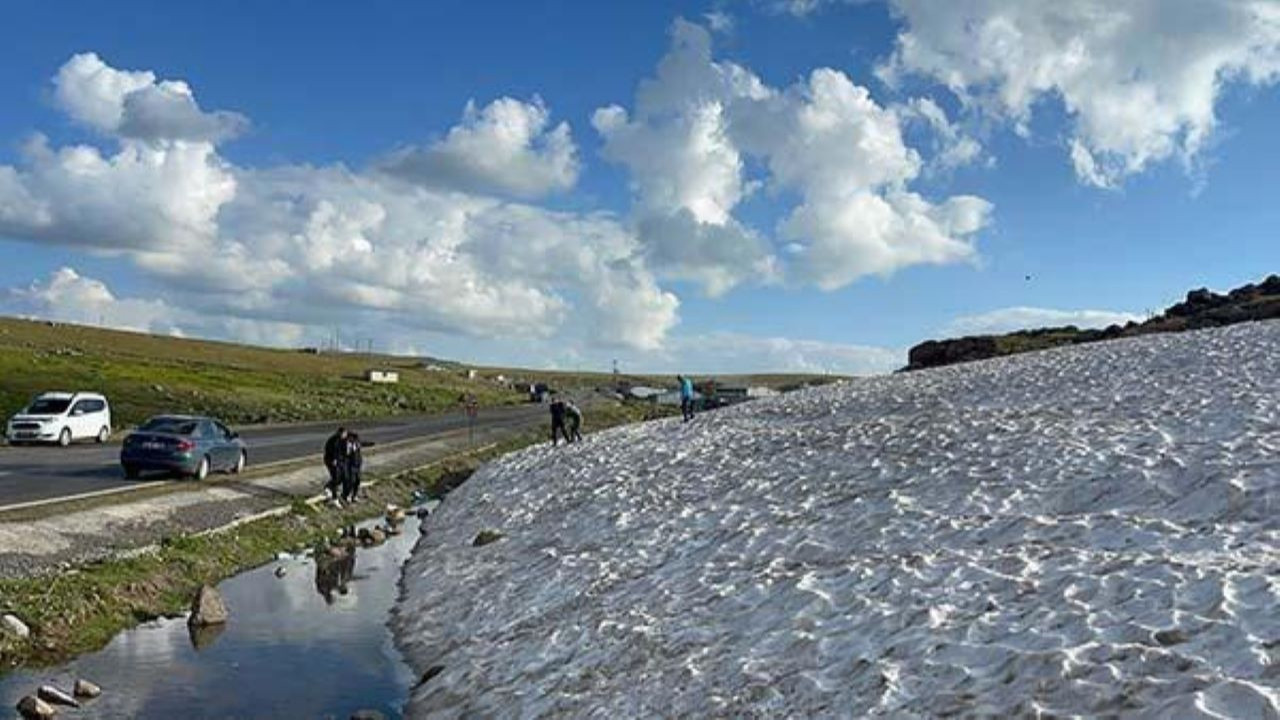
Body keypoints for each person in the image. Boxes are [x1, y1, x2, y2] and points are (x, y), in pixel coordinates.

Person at [323, 427, 349, 504]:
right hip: (330, 461)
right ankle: (334, 498)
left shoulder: (343, 440)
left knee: (341, 477)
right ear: (340, 433)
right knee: (335, 477)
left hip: (338, 461)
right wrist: (333, 459)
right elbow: (330, 450)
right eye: (344, 434)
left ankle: (328, 486)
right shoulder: (334, 441)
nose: (345, 435)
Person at [342, 432, 363, 503]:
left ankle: (354, 495)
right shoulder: (347, 445)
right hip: (351, 466)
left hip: (357, 465)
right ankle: (347, 495)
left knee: (357, 481)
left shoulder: (357, 444)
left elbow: (363, 444)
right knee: (351, 481)